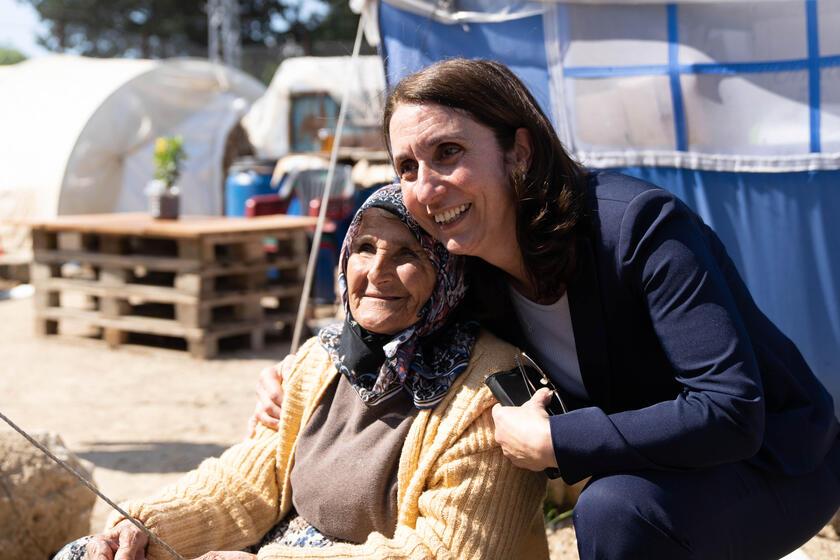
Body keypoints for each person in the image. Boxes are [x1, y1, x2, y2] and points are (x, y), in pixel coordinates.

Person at [253, 58, 840, 560]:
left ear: (519, 151)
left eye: (448, 152)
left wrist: (560, 441)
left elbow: (732, 410)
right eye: (407, 167)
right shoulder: (470, 269)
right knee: (616, 499)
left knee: (614, 509)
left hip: (777, 461)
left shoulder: (638, 229)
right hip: (655, 467)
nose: (426, 188)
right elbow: (399, 335)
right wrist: (306, 375)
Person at [57, 185, 549, 560]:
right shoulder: (326, 356)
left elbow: (442, 552)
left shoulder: (491, 389)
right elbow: (250, 482)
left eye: (408, 254)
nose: (376, 273)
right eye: (365, 248)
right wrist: (146, 526)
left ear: (450, 271)